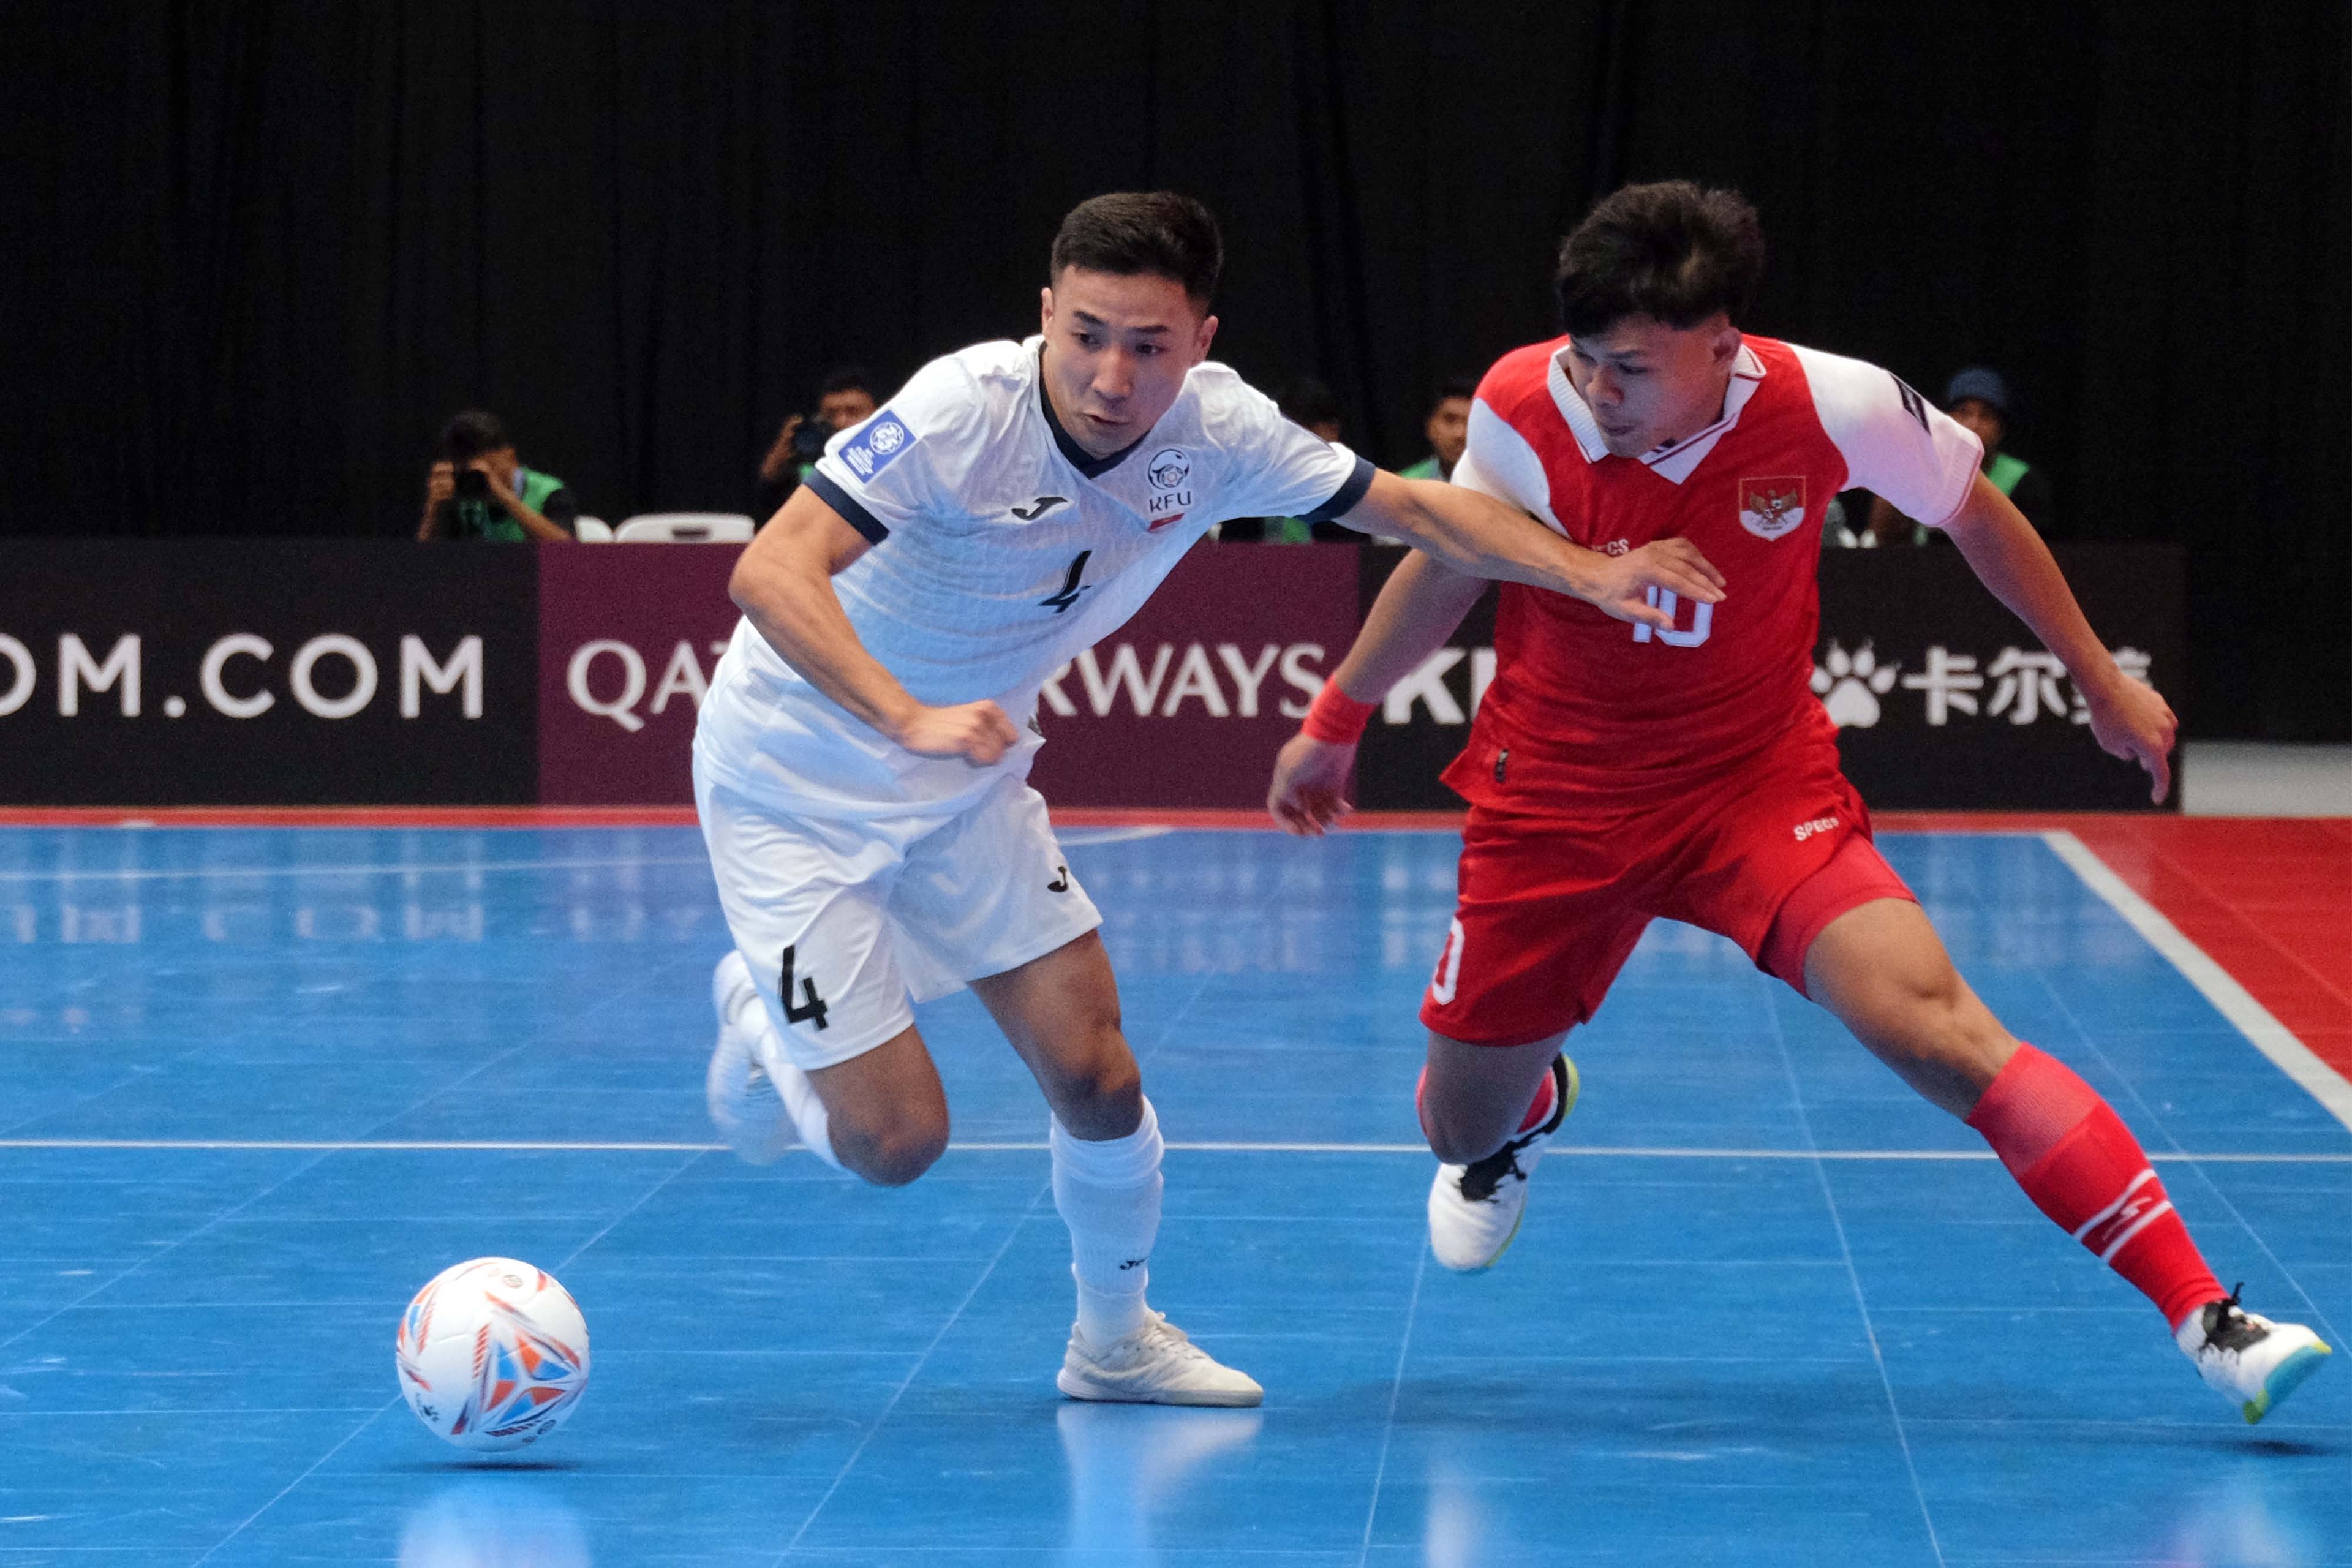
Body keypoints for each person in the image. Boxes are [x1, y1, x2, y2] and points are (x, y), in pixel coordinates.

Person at [1267, 180, 2328, 1424]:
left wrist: (2096, 677)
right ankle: (1524, 1112)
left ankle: (2211, 1318)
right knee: (1454, 1126)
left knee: (1940, 1027)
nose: (1599, 391)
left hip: (1755, 784)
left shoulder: (1836, 403)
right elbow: (1451, 564)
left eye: (1631, 369)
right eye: (1586, 360)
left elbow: (1976, 516)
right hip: (1554, 792)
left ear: (1723, 344)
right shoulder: (1517, 402)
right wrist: (1337, 718)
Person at [690, 190, 1712, 1408]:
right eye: (1084, 334)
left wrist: (1594, 572)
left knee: (1100, 1075)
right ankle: (762, 1011)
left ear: (1204, 340)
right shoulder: (964, 407)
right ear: (1044, 315)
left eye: (1148, 345)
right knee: (897, 1145)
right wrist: (905, 714)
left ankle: (1112, 1341)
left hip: (967, 781)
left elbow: (1421, 508)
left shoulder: (1223, 435)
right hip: (794, 779)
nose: (1110, 375)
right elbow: (772, 567)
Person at [1864, 366, 2054, 543]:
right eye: (1963, 413)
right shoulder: (1920, 468)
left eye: (1986, 416)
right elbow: (1884, 539)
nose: (1973, 424)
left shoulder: (2024, 481)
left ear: (2000, 429)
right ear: (1945, 420)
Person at [416, 410, 579, 542]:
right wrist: (433, 511)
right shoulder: (461, 495)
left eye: (488, 466)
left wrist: (504, 497)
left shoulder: (549, 492)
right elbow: (427, 566)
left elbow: (565, 552)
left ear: (510, 457)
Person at [756, 368, 882, 520]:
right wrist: (781, 454)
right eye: (831, 414)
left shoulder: (892, 458)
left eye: (853, 412)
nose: (841, 422)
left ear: (877, 413)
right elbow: (766, 504)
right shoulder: (812, 456)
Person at [1396, 376, 1476, 481]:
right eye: (1450, 420)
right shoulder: (1406, 485)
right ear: (1430, 426)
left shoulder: (1501, 486)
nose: (1460, 434)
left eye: (1471, 423)